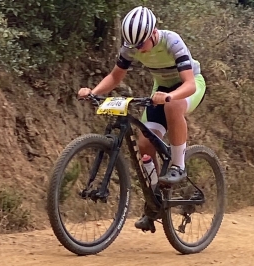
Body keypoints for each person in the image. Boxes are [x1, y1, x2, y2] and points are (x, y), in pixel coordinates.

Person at [78, 6, 206, 232]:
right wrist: (94, 93)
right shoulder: (131, 46)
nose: (138, 50)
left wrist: (169, 96)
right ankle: (154, 202)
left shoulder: (172, 41)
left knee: (173, 106)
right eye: (133, 45)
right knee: (145, 145)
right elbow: (115, 76)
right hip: (162, 89)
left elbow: (189, 84)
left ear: (153, 32)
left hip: (189, 86)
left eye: (141, 44)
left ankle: (178, 165)